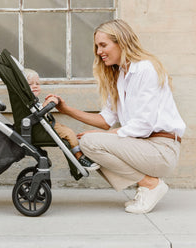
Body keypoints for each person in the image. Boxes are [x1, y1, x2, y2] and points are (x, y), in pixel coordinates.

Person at [45, 19, 185, 214]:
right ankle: (147, 186)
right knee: (87, 143)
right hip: (143, 147)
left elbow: (144, 124)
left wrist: (107, 135)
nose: (99, 51)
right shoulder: (120, 76)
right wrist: (66, 110)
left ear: (121, 42)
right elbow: (105, 120)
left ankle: (150, 184)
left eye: (103, 45)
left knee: (90, 142)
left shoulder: (146, 69)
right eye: (97, 47)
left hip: (161, 149)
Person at [23, 68, 99, 171]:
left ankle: (80, 153)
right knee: (68, 133)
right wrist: (48, 103)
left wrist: (50, 101)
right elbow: (38, 114)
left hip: (46, 125)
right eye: (30, 85)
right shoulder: (25, 102)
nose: (35, 86)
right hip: (39, 128)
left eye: (37, 83)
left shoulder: (33, 101)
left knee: (69, 132)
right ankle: (79, 156)